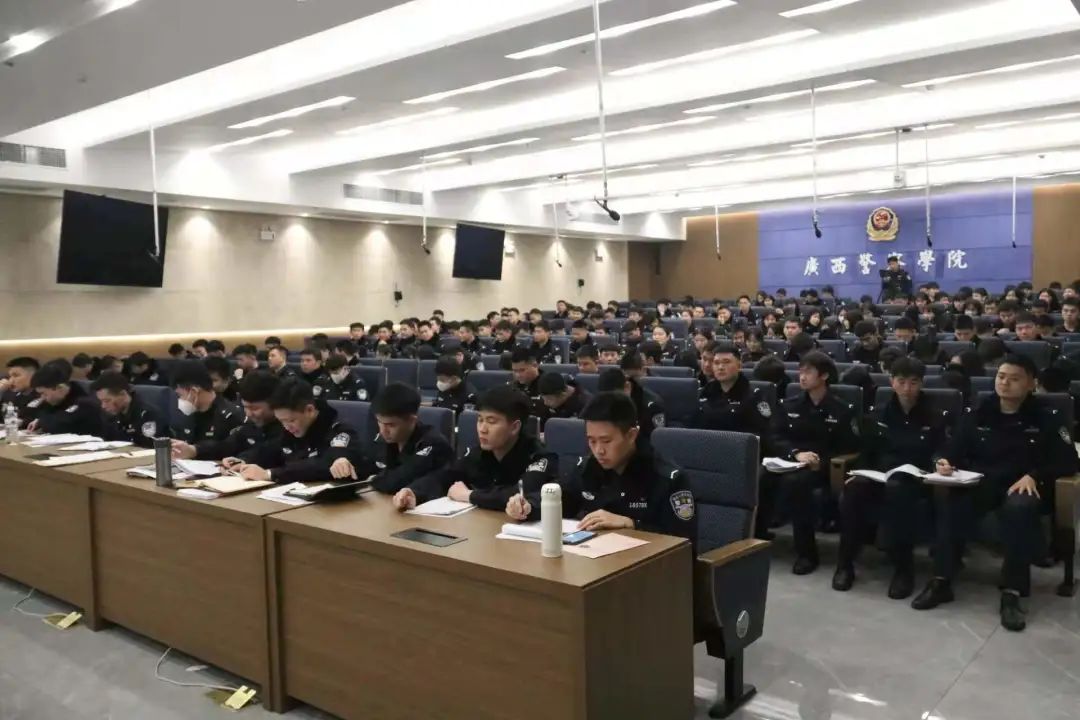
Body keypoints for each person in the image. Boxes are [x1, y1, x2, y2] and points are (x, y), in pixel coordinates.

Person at [912, 354, 1078, 631]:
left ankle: (1012, 591)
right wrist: (943, 462)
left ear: (1031, 384)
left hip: (1024, 485)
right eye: (1001, 377)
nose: (1005, 383)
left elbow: (1068, 461)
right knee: (951, 503)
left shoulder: (1047, 416)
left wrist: (1035, 475)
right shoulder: (979, 412)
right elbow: (951, 450)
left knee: (1019, 508)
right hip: (983, 482)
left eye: (1014, 379)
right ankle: (942, 580)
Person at [507, 392, 697, 544]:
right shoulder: (588, 466)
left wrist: (632, 523)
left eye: (606, 441)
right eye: (591, 441)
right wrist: (529, 506)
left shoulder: (667, 478)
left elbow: (683, 541)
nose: (598, 450)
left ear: (632, 435)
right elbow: (563, 498)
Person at [833, 358, 949, 598]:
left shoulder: (935, 415)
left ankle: (903, 569)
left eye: (913, 382)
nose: (907, 388)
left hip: (917, 478)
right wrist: (858, 472)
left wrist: (940, 461)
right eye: (901, 381)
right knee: (854, 490)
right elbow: (868, 451)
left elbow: (941, 449)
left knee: (898, 490)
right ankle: (845, 564)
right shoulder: (879, 413)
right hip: (881, 475)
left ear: (921, 383)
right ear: (892, 382)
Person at [762, 352, 859, 574]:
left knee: (797, 483)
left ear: (824, 376)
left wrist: (821, 462)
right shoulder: (790, 405)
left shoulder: (842, 409)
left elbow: (848, 448)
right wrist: (795, 453)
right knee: (762, 476)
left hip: (822, 468)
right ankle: (756, 539)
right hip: (793, 461)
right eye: (801, 371)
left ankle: (806, 553)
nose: (802, 377)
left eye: (809, 372)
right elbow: (775, 437)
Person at [393, 386, 558, 511]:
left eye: (491, 421)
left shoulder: (539, 457)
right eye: (480, 420)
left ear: (514, 427)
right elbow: (446, 476)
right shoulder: (479, 453)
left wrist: (469, 496)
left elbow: (520, 495)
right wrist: (415, 492)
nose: (482, 429)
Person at [234, 378, 365, 485]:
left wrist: (270, 474)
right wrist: (243, 461)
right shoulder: (292, 428)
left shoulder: (339, 430)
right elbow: (271, 449)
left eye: (291, 420)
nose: (286, 427)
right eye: (281, 421)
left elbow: (323, 464)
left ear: (309, 410)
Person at [172, 370, 284, 463]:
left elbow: (270, 451)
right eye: (245, 407)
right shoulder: (253, 423)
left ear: (274, 403)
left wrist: (243, 460)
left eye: (254, 408)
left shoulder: (288, 425)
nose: (249, 413)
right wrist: (194, 450)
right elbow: (227, 445)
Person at [368, 383, 455, 496]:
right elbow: (366, 467)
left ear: (411, 420)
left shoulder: (434, 443)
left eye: (391, 425)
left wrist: (374, 479)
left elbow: (397, 482)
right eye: (379, 422)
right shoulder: (384, 438)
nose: (383, 431)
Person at [695, 342, 773, 437]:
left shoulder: (753, 397)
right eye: (716, 363)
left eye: (726, 362)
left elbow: (762, 435)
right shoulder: (705, 393)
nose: (720, 367)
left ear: (739, 366)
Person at [170, 361, 245, 444]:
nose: (179, 400)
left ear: (194, 391)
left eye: (180, 395)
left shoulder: (231, 417)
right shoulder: (187, 415)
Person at [26, 363, 103, 436]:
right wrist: (39, 421)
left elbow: (61, 425)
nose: (42, 398)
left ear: (60, 388)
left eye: (44, 393)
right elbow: (42, 414)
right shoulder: (55, 400)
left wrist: (42, 422)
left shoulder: (84, 399)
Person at [92, 371, 165, 448]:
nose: (103, 406)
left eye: (107, 401)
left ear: (123, 394)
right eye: (101, 401)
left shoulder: (147, 415)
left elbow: (150, 447)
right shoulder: (110, 416)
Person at [598, 367, 664, 447]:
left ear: (627, 387)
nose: (610, 403)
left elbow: (655, 442)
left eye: (614, 398)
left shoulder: (652, 406)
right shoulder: (602, 401)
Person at [1, 356, 42, 427]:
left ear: (34, 376)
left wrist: (23, 422)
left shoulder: (44, 395)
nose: (11, 380)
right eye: (10, 376)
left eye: (16, 375)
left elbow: (44, 418)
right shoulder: (7, 394)